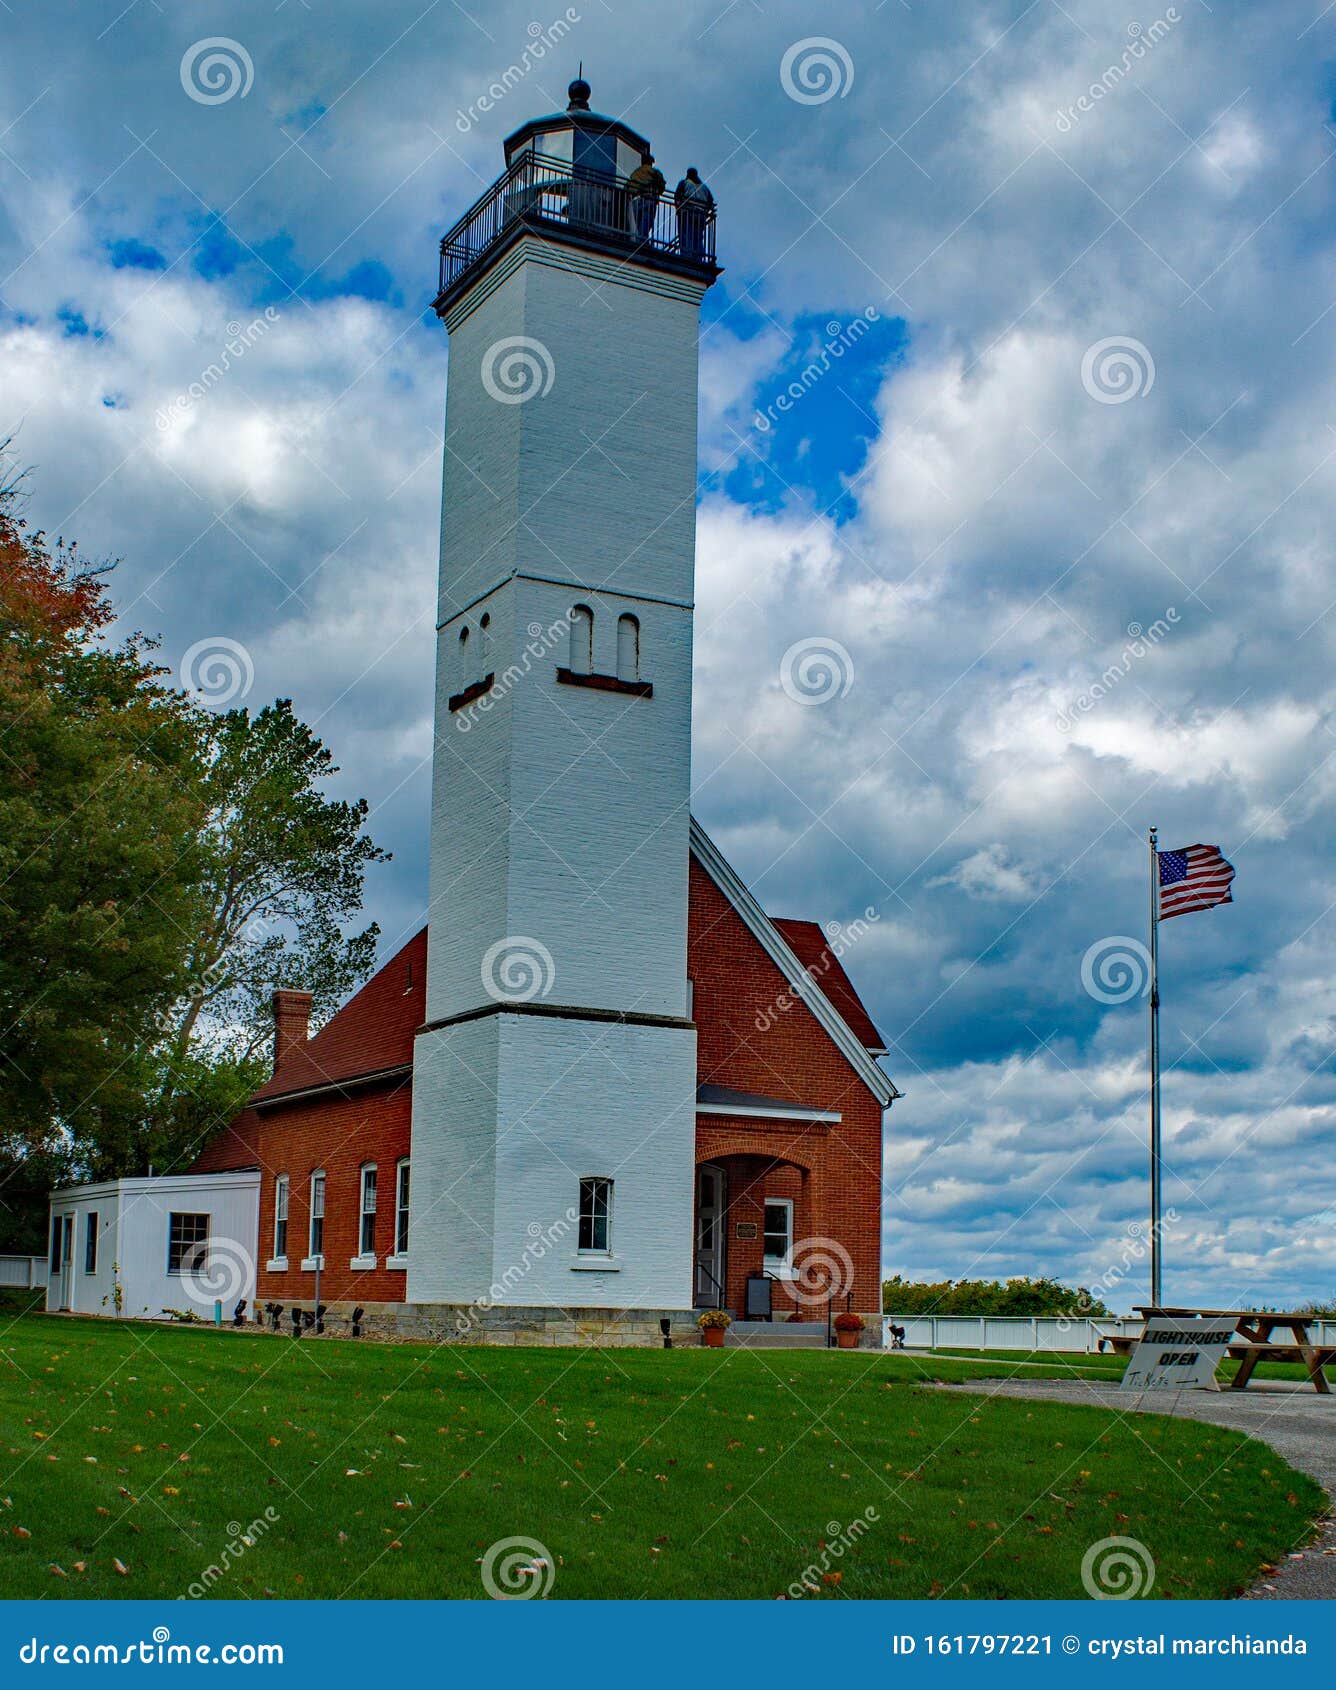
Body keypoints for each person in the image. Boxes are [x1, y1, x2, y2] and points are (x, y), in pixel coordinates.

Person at [674, 167, 713, 261]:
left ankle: (687, 255)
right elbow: (710, 200)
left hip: (687, 212)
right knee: (698, 236)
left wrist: (678, 209)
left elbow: (677, 196)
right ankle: (698, 256)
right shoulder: (704, 187)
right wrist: (706, 211)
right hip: (701, 215)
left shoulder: (684, 183)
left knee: (686, 234)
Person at [626, 153, 665, 243]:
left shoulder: (635, 173)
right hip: (649, 199)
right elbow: (662, 186)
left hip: (635, 199)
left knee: (636, 224)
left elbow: (627, 186)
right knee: (645, 224)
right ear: (651, 163)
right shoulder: (655, 173)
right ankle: (642, 243)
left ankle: (637, 241)